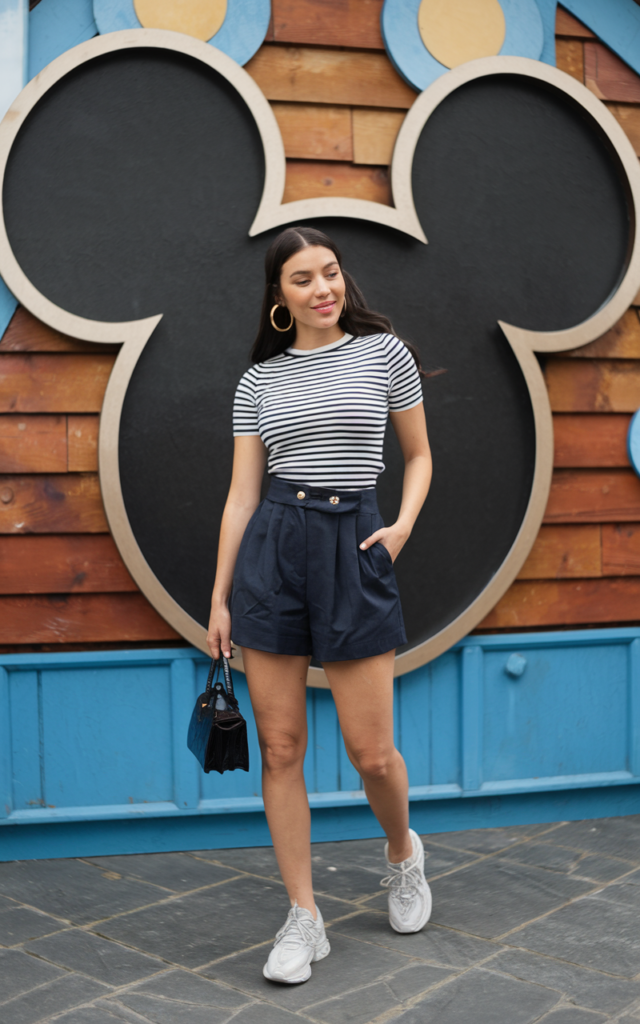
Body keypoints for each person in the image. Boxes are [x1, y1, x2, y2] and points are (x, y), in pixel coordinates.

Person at [207, 225, 433, 985]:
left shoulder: (384, 353)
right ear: (279, 297)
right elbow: (242, 495)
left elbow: (419, 454)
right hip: (274, 550)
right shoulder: (258, 382)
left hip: (356, 544)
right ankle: (304, 915)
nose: (323, 289)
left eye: (330, 273)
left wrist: (399, 527)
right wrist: (220, 598)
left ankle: (403, 853)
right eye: (302, 279)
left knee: (372, 753)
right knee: (280, 748)